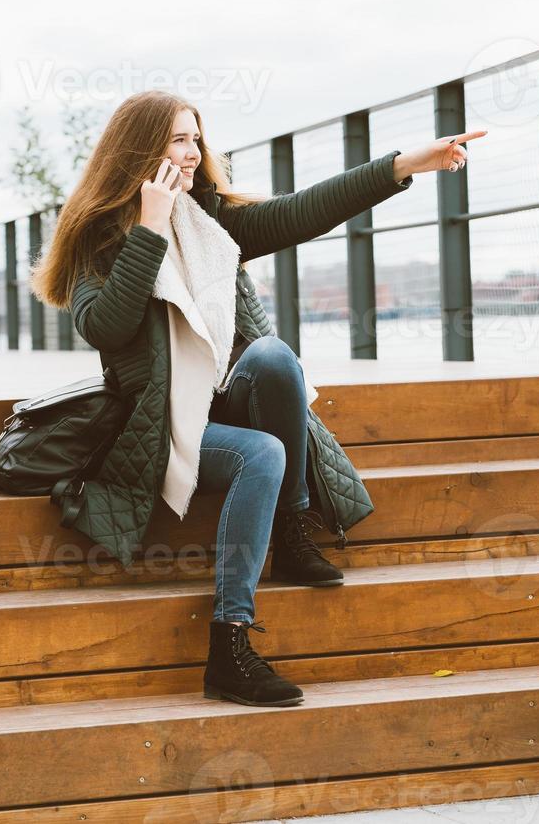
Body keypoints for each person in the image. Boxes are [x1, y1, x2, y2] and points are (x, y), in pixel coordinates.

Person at [30, 89, 487, 708]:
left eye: (196, 138)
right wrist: (150, 228)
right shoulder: (100, 239)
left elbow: (302, 212)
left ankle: (291, 528)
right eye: (177, 140)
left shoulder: (212, 223)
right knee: (263, 453)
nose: (192, 154)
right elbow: (104, 328)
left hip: (223, 396)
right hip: (160, 426)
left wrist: (407, 164)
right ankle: (230, 644)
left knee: (272, 355)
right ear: (140, 150)